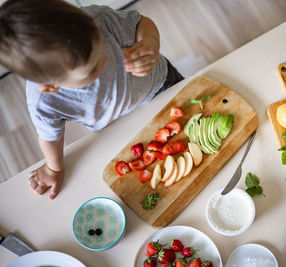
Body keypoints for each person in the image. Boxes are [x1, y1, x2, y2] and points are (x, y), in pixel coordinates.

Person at [0, 0, 183, 199]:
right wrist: (54, 169)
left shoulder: (97, 19)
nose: (106, 60)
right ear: (52, 86)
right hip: (115, 127)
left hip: (161, 84)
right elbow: (50, 137)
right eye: (92, 69)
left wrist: (149, 42)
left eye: (103, 49)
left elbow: (141, 22)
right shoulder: (43, 102)